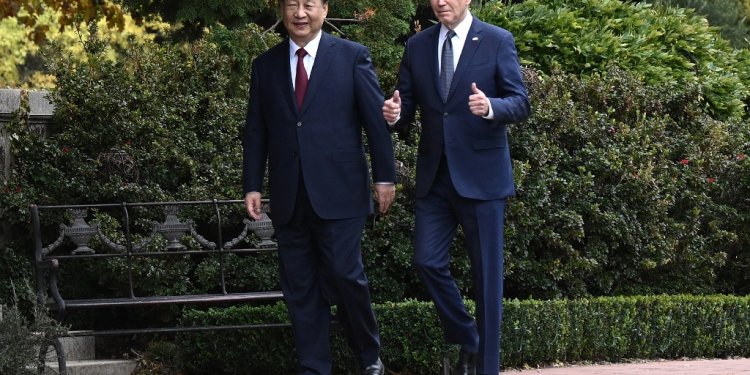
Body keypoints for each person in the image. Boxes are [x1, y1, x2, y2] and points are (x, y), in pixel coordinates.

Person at [242, 0, 396, 374]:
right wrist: (252, 184)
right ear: (282, 10)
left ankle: (369, 357)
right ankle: (315, 368)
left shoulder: (352, 57)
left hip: (341, 191)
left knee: (346, 275)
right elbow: (257, 130)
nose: (299, 13)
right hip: (289, 194)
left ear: (324, 10)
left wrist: (385, 176)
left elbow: (375, 123)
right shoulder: (265, 65)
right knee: (300, 287)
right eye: (292, 4)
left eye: (308, 4)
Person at [382, 0, 530, 374]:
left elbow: (520, 102)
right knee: (426, 261)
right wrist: (395, 115)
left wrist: (492, 106)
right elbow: (406, 107)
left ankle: (487, 368)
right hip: (435, 178)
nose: (441, 1)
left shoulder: (497, 40)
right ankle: (468, 336)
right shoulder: (417, 45)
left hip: (482, 178)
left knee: (487, 279)